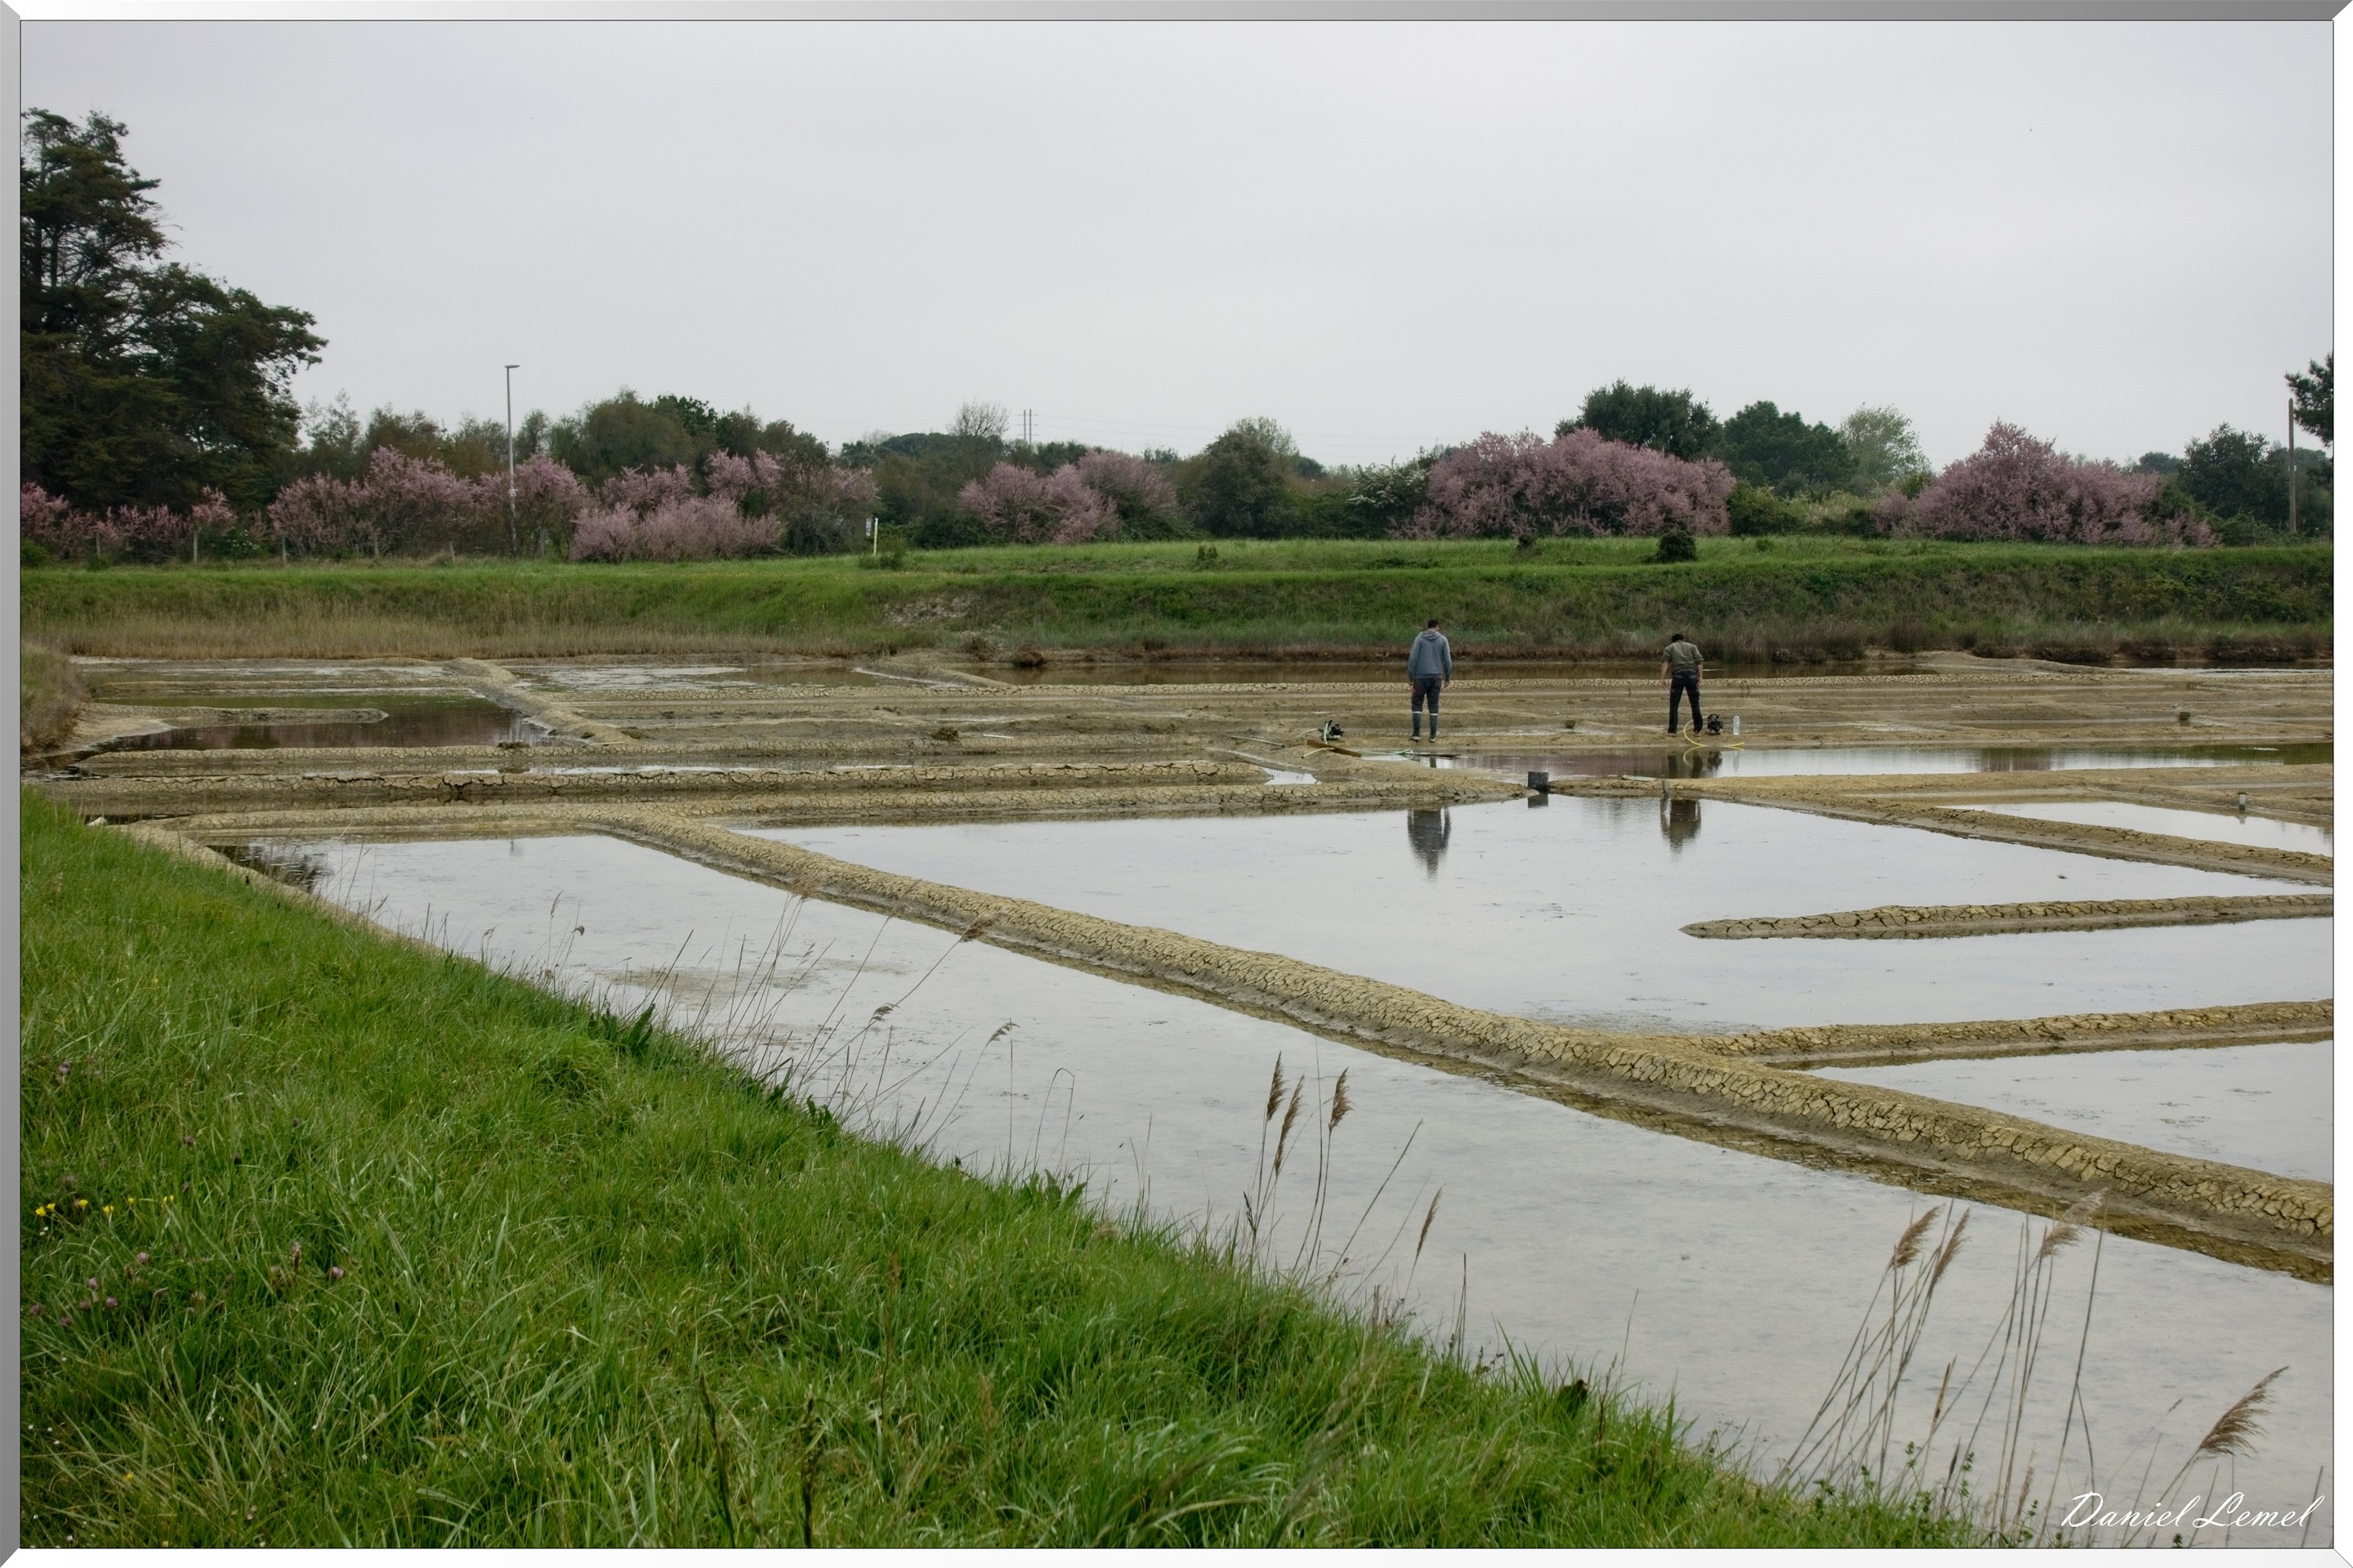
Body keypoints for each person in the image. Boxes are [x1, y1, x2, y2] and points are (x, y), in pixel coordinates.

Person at [1408, 618, 1453, 740]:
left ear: (1428, 627)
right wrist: (1448, 676)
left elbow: (1413, 658)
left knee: (1417, 703)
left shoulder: (1420, 638)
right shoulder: (1443, 640)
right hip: (1436, 677)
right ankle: (1433, 735)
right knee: (1433, 705)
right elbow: (1447, 660)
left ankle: (1416, 734)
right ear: (1437, 627)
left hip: (1420, 678)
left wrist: (1410, 677)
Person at [1662, 630, 1703, 735]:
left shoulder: (1670, 648)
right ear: (1683, 639)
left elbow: (1665, 663)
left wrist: (1662, 678)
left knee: (1674, 704)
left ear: (1674, 641)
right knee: (1695, 703)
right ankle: (1698, 729)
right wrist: (1701, 676)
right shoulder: (1692, 647)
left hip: (1678, 676)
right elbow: (1699, 661)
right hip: (1691, 676)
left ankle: (1672, 730)